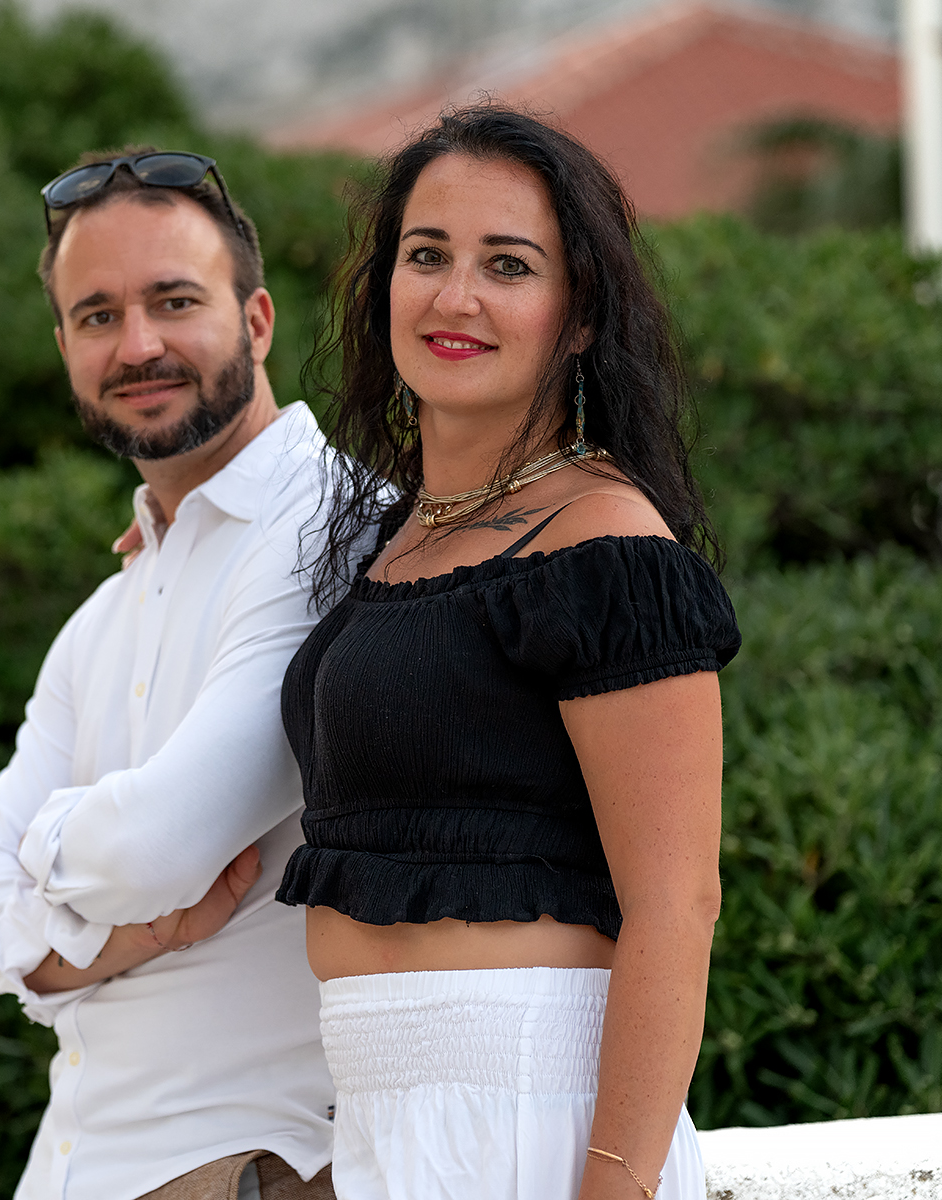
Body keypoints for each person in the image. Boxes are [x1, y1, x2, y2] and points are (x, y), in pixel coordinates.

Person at [275, 106, 741, 1200]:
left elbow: (678, 906)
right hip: (386, 1121)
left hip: (532, 1119)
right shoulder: (396, 535)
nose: (456, 298)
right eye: (427, 255)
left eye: (509, 265)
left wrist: (612, 1190)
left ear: (580, 316)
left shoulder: (605, 546)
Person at [0, 147, 338, 1200]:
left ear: (257, 321)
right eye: (98, 315)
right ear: (65, 348)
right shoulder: (100, 618)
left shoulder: (328, 529)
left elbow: (166, 840)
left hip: (244, 1165)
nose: (139, 346)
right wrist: (145, 929)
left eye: (174, 301)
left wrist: (47, 852)